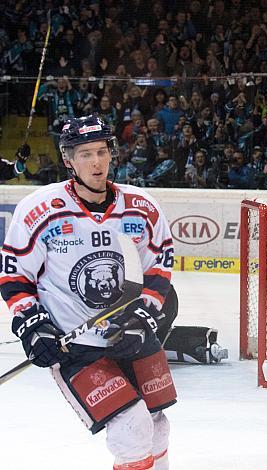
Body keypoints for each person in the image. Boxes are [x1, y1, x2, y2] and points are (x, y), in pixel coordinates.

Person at [0, 115, 176, 469]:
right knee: (131, 427)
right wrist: (33, 326)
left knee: (157, 426)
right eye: (84, 154)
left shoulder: (141, 206)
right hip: (76, 345)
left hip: (130, 334)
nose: (96, 162)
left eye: (101, 151)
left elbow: (158, 265)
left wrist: (144, 316)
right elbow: (15, 275)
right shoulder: (39, 209)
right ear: (68, 160)